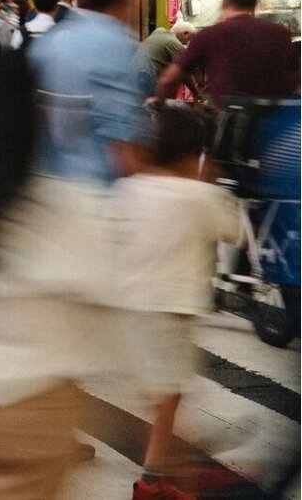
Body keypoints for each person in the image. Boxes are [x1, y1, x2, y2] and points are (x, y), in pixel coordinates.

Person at [115, 103, 250, 499]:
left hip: (129, 308)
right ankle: (154, 480)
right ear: (195, 154)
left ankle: (164, 470)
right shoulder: (198, 195)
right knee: (170, 395)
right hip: (169, 312)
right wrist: (211, 184)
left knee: (163, 394)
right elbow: (238, 233)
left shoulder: (131, 188)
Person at [152, 0, 300, 105]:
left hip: (232, 127)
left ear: (224, 0)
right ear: (255, 2)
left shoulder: (210, 35)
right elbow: (295, 80)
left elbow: (169, 79)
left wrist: (157, 102)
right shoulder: (280, 33)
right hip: (278, 128)